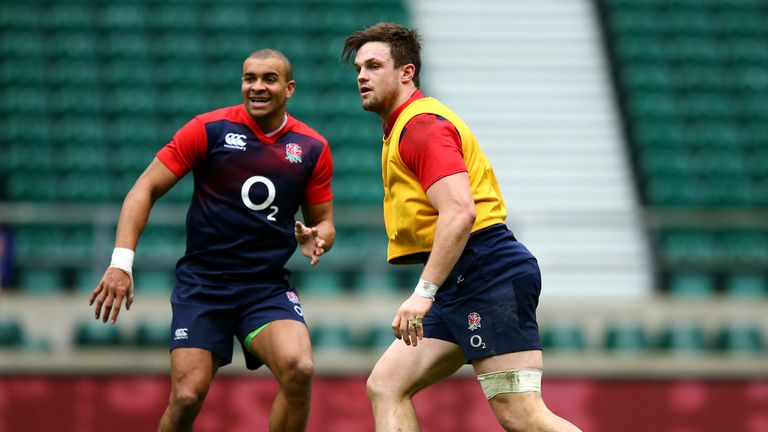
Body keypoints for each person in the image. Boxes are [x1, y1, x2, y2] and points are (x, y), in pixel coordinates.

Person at [342, 23, 581, 432]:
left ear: (406, 73)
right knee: (386, 385)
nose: (362, 76)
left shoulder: (421, 127)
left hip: (487, 272)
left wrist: (422, 294)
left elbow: (459, 213)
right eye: (360, 68)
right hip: (462, 278)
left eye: (375, 65)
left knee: (521, 414)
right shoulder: (402, 125)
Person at [89, 49, 335, 432]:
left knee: (299, 368)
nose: (256, 86)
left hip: (264, 287)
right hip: (204, 285)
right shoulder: (209, 129)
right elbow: (145, 187)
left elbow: (325, 225)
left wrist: (316, 238)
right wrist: (121, 262)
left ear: (289, 89)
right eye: (249, 78)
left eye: (268, 79)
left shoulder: (311, 147)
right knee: (187, 397)